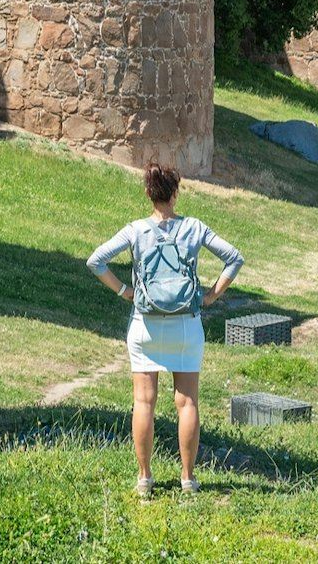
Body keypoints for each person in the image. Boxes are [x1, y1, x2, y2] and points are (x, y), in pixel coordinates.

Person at [86, 162, 244, 498]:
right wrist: (213, 294)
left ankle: (144, 479)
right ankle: (188, 478)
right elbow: (234, 258)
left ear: (149, 194)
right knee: (187, 403)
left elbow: (96, 261)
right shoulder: (194, 228)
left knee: (144, 402)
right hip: (186, 325)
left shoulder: (136, 230)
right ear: (175, 193)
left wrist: (125, 291)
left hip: (145, 325)